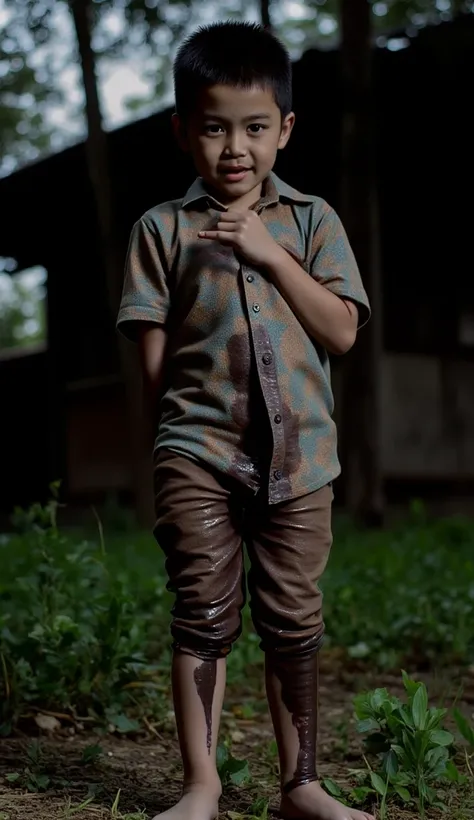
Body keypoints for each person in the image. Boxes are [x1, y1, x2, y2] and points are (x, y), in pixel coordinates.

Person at [117, 20, 373, 820]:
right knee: (202, 609)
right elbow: (152, 364)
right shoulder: (161, 230)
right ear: (183, 131)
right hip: (196, 451)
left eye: (255, 127)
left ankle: (302, 786)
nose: (236, 148)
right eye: (215, 127)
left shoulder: (312, 223)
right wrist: (159, 454)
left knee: (295, 618)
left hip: (302, 462)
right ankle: (201, 785)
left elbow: (340, 331)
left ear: (285, 130)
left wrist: (268, 252)